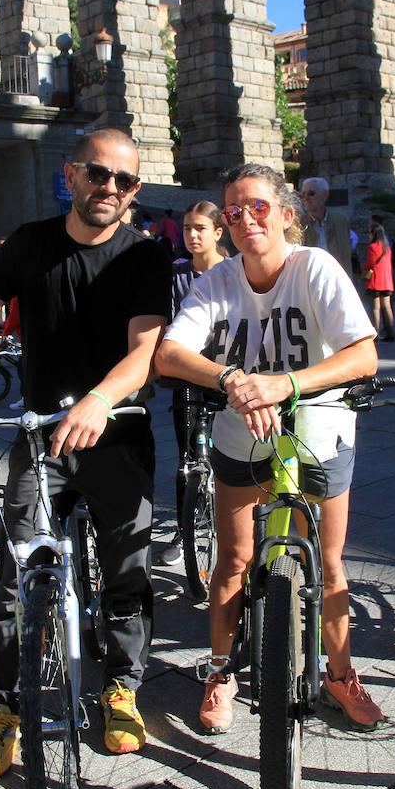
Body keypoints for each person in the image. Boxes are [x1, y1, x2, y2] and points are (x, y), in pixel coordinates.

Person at [0, 128, 170, 779]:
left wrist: (101, 400)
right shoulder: (29, 244)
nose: (110, 188)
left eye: (125, 181)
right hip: (40, 435)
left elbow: (147, 350)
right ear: (71, 175)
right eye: (98, 174)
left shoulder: (145, 256)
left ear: (135, 191)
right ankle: (7, 713)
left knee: (127, 574)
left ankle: (122, 689)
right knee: (14, 579)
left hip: (118, 434)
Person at [155, 163, 383, 734]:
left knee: (329, 563)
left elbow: (363, 356)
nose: (245, 218)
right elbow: (170, 355)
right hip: (242, 438)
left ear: (286, 214)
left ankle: (340, 672)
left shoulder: (316, 268)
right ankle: (220, 670)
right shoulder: (217, 281)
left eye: (257, 206)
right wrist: (233, 377)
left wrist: (284, 384)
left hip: (319, 430)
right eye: (233, 211)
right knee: (232, 560)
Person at [156, 201, 229, 567]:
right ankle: (185, 531)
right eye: (186, 228)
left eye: (200, 228)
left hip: (229, 374)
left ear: (218, 232)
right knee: (188, 457)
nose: (192, 235)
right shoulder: (176, 273)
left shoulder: (233, 271)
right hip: (188, 375)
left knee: (234, 453)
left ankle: (232, 521)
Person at [299, 176, 354, 277]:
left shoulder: (341, 221)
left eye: (311, 193)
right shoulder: (299, 224)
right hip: (310, 279)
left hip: (338, 277)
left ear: (325, 195)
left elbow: (348, 251)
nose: (306, 198)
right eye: (303, 195)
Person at [363, 219, 395, 341]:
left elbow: (370, 263)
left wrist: (363, 270)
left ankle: (375, 333)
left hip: (375, 281)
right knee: (387, 307)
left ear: (373, 234)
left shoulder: (372, 247)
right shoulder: (387, 248)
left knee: (375, 308)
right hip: (387, 282)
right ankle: (390, 332)